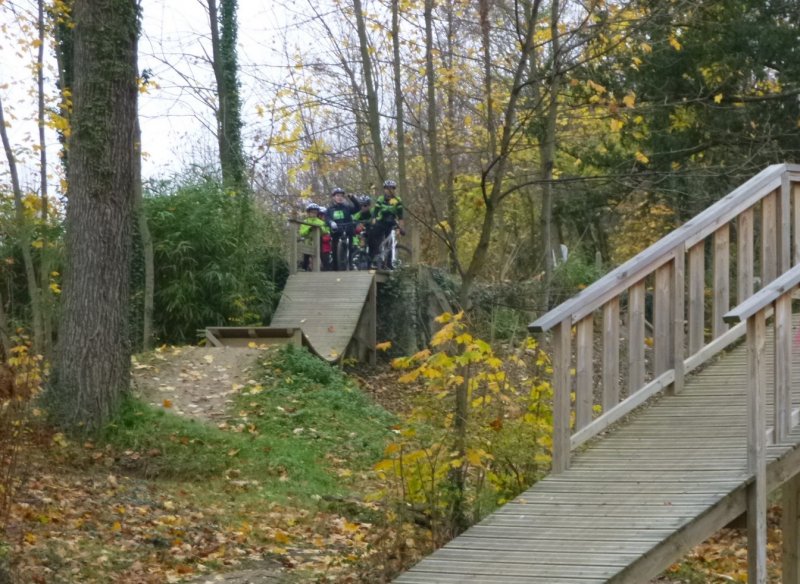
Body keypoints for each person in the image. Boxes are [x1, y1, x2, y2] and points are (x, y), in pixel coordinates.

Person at [369, 179, 405, 269]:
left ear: (394, 190)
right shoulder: (381, 199)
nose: (389, 191)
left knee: (391, 242)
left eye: (392, 188)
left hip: (391, 222)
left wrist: (401, 228)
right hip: (381, 221)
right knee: (376, 238)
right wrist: (373, 219)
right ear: (384, 190)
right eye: (387, 189)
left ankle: (389, 263)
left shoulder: (398, 200)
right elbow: (375, 212)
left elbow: (400, 216)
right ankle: (375, 259)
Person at [326, 187, 355, 271]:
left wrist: (352, 198)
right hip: (336, 232)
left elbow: (358, 208)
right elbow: (326, 218)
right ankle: (336, 269)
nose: (339, 197)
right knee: (334, 250)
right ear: (334, 197)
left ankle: (350, 265)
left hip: (348, 230)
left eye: (341, 196)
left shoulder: (347, 207)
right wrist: (331, 222)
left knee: (350, 247)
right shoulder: (330, 209)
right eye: (337, 195)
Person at [298, 203, 329, 271]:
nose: (314, 214)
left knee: (322, 256)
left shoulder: (320, 222)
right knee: (306, 256)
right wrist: (309, 229)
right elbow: (302, 233)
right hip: (308, 242)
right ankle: (304, 269)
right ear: (308, 213)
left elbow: (325, 231)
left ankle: (326, 270)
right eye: (312, 212)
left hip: (318, 241)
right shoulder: (305, 222)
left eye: (315, 212)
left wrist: (320, 229)